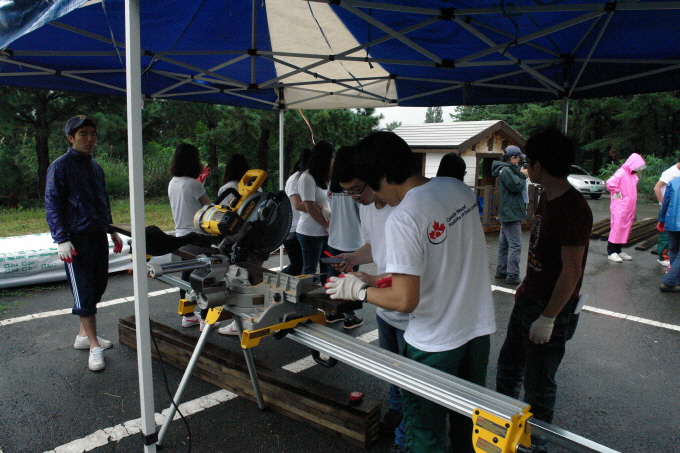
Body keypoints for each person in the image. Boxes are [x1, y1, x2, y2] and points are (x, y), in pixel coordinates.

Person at [325, 131, 496, 453]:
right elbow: (442, 261)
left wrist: (359, 289)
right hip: (476, 332)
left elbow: (404, 300)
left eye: (373, 185)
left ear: (385, 175)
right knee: (468, 424)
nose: (377, 195)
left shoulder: (405, 216)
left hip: (434, 341)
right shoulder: (458, 189)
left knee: (425, 433)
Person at [495, 129, 592, 452]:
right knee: (508, 370)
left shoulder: (572, 207)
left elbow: (572, 270)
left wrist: (548, 317)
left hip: (550, 309)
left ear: (540, 166)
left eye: (528, 162)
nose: (525, 167)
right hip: (528, 298)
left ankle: (536, 445)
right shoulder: (547, 196)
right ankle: (506, 433)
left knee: (539, 385)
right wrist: (526, 286)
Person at [329, 144, 407, 450]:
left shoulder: (404, 207)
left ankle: (406, 437)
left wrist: (369, 283)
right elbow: (375, 246)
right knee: (393, 370)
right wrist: (352, 257)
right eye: (347, 192)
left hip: (407, 307)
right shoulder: (366, 207)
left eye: (357, 189)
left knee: (412, 378)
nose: (354, 197)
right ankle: (397, 413)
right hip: (384, 306)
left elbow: (412, 274)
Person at [45, 115, 124, 372]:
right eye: (83, 134)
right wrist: (61, 239)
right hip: (75, 239)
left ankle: (83, 336)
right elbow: (53, 204)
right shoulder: (60, 167)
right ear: (71, 138)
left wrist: (112, 230)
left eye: (92, 134)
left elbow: (103, 201)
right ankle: (93, 345)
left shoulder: (96, 167)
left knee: (98, 286)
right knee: (85, 290)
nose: (89, 139)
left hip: (97, 235)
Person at [168, 143, 212, 330]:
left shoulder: (173, 182)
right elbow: (209, 208)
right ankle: (205, 318)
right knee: (205, 276)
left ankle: (187, 316)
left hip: (181, 235)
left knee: (186, 274)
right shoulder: (193, 184)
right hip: (198, 236)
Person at [324, 145, 364, 329]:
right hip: (353, 240)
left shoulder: (332, 186)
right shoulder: (356, 187)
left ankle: (332, 312)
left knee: (333, 278)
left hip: (334, 238)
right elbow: (362, 213)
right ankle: (349, 316)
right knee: (349, 280)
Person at [492, 145, 528, 285]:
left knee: (504, 244)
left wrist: (520, 173)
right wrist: (523, 175)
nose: (519, 161)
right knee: (515, 245)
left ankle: (501, 271)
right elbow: (516, 186)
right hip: (511, 212)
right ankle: (513, 275)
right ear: (513, 157)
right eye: (518, 158)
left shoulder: (503, 169)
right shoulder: (506, 170)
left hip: (507, 211)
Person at [296, 140, 333, 277]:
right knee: (310, 269)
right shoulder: (307, 177)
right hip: (310, 232)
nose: (333, 161)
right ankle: (303, 291)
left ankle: (325, 289)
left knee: (327, 268)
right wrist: (326, 225)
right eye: (331, 157)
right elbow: (310, 207)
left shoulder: (323, 177)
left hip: (325, 232)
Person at [605, 153, 646, 262]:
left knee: (624, 227)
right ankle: (611, 252)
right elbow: (610, 183)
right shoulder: (621, 173)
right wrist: (618, 193)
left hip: (628, 206)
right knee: (617, 227)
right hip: (620, 206)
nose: (638, 169)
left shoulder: (632, 175)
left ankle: (618, 250)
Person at [280, 149, 310, 277]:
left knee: (304, 265)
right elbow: (297, 205)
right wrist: (320, 209)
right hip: (293, 229)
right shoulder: (295, 180)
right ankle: (274, 281)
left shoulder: (306, 178)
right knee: (298, 265)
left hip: (301, 229)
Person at [653, 160, 680, 267]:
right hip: (668, 208)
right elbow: (657, 187)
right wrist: (663, 204)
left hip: (675, 208)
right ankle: (663, 256)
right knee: (665, 234)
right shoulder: (671, 172)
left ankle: (673, 259)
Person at [657, 176, 680, 291]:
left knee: (674, 251)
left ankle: (677, 281)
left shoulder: (674, 182)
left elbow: (665, 202)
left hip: (671, 222)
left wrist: (662, 220)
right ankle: (668, 282)